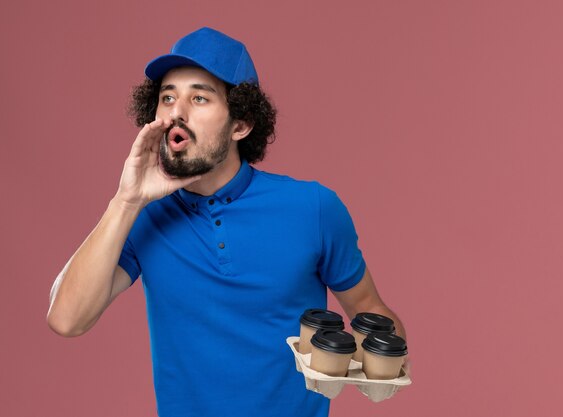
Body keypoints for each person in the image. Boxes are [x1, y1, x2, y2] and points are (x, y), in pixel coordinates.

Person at [47, 27, 408, 417]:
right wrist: (126, 199)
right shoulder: (142, 215)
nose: (176, 112)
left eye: (199, 97)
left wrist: (362, 364)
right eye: (167, 97)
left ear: (241, 124)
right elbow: (67, 319)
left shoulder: (313, 208)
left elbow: (374, 316)